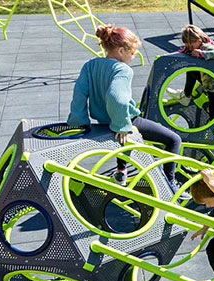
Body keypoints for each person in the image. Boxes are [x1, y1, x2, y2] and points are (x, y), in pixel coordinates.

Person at [66, 24, 181, 182]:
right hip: (127, 119)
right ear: (121, 51)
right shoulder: (123, 69)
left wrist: (79, 122)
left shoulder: (90, 65)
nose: (133, 57)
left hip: (102, 121)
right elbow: (116, 98)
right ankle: (171, 182)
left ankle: (121, 170)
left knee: (122, 136)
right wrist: (122, 125)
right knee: (174, 140)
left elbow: (79, 94)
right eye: (132, 53)